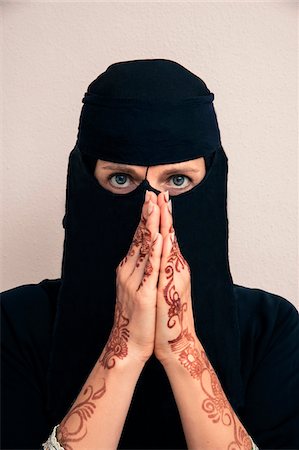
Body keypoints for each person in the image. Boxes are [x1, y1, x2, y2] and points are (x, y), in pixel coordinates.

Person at [1, 58, 298, 450]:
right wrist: (125, 350)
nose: (151, 211)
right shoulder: (16, 324)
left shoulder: (271, 330)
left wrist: (182, 347)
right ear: (83, 185)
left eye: (178, 180)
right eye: (120, 179)